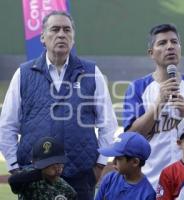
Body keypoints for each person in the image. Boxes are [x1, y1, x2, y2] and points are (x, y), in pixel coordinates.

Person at [0, 11, 118, 199]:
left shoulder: (91, 73)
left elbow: (108, 124)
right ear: (42, 38)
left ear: (73, 38)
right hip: (34, 179)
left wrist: (99, 166)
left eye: (67, 30)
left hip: (80, 178)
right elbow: (7, 126)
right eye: (55, 29)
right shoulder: (23, 74)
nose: (61, 34)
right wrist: (15, 168)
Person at [122, 23, 184, 189]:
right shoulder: (137, 88)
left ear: (180, 48)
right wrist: (158, 104)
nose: (170, 47)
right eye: (162, 43)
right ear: (151, 53)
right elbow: (131, 138)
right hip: (151, 182)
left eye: (174, 42)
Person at [8, 137, 77, 200]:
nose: (55, 168)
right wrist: (40, 174)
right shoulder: (29, 180)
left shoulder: (67, 190)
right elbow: (13, 181)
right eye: (48, 164)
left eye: (58, 163)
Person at [95, 131, 156, 200]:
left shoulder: (147, 194)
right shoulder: (109, 179)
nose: (113, 162)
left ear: (135, 162)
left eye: (118, 158)